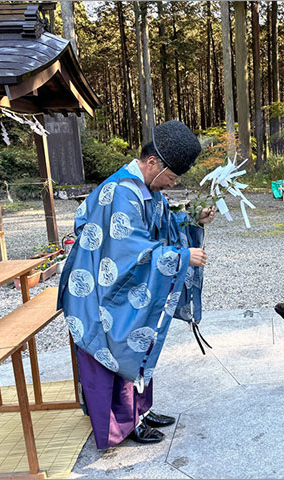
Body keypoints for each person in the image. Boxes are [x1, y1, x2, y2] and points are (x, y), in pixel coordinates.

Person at [58, 120, 216, 448]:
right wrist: (183, 257)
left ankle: (140, 412)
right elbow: (131, 247)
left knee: (141, 336)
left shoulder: (148, 190)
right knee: (118, 347)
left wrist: (192, 221)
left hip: (115, 287)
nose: (170, 184)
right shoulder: (121, 192)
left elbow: (162, 227)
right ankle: (123, 425)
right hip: (99, 295)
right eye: (171, 177)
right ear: (152, 163)